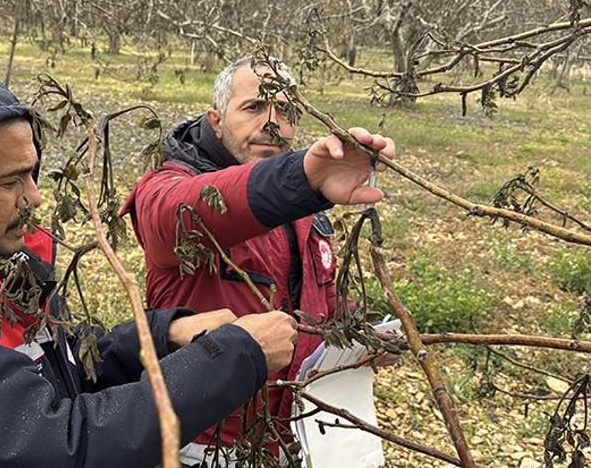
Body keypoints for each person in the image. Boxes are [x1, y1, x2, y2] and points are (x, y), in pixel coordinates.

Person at [0, 63, 300, 467]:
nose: (35, 197)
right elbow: (54, 445)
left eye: (33, 173)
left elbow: (63, 371)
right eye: (10, 182)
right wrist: (235, 357)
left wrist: (159, 335)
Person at [122, 56, 396, 464]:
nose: (272, 125)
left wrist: (361, 333)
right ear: (215, 120)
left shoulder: (306, 205)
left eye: (284, 110)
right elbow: (179, 214)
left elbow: (311, 296)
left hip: (298, 435)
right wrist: (301, 177)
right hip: (204, 445)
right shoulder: (167, 190)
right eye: (253, 108)